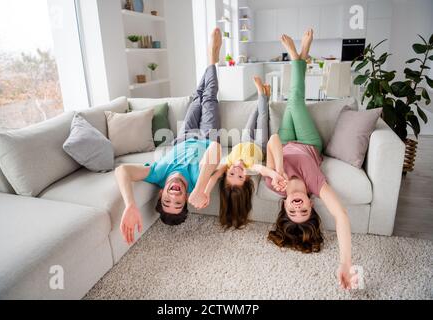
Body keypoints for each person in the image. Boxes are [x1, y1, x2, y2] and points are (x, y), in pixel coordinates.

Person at [265, 29, 358, 290]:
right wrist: (345, 263)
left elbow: (273, 140)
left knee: (292, 102)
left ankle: (301, 56)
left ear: (284, 208)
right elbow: (341, 215)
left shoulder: (273, 185)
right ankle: (297, 56)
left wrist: (279, 170)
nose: (297, 207)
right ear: (310, 204)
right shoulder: (315, 183)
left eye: (292, 212)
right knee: (294, 101)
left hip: (284, 139)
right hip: (307, 142)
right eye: (303, 210)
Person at [115, 28, 223, 244]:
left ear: (161, 193)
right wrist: (200, 188)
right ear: (186, 198)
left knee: (196, 98)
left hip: (182, 137)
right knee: (209, 97)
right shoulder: (194, 183)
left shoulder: (157, 175)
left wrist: (130, 205)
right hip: (207, 135)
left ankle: (210, 64)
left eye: (167, 202)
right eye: (178, 202)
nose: (173, 197)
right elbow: (215, 151)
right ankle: (213, 56)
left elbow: (122, 170)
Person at [204, 78, 283, 229]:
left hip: (245, 139)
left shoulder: (227, 163)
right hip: (260, 144)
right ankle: (263, 94)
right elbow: (263, 169)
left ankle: (264, 96)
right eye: (240, 177)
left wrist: (206, 192)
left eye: (231, 175)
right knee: (262, 117)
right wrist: (274, 175)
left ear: (226, 174)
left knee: (252, 116)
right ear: (246, 178)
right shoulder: (250, 167)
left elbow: (214, 176)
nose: (236, 171)